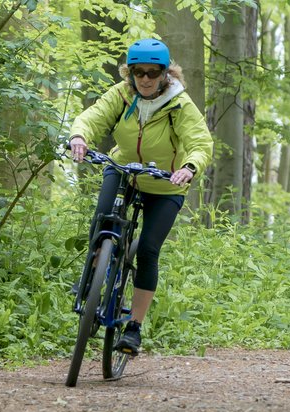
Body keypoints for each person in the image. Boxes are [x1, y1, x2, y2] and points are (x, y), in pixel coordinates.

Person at [67, 38, 212, 354]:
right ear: (129, 73)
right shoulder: (121, 95)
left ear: (165, 73)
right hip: (124, 170)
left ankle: (134, 327)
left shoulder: (180, 105)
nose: (145, 79)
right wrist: (79, 136)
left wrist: (189, 166)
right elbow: (93, 116)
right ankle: (91, 281)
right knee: (102, 222)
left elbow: (201, 143)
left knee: (147, 250)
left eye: (152, 72)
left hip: (165, 184)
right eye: (138, 72)